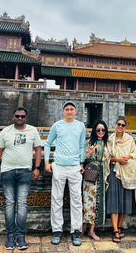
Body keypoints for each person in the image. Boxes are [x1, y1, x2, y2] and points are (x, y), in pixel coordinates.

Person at [0, 106, 42, 250]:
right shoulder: (5, 132)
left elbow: (38, 149)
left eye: (22, 116)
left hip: (25, 171)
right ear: (13, 116)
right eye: (17, 116)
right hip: (7, 171)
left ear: (26, 117)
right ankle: (10, 236)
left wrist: (37, 168)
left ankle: (20, 236)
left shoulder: (32, 131)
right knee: (9, 204)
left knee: (22, 204)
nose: (20, 118)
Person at [44, 101, 86, 246]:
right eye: (67, 109)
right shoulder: (57, 126)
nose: (69, 111)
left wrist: (81, 162)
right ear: (63, 112)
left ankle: (76, 231)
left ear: (75, 111)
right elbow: (47, 143)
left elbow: (82, 145)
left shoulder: (80, 126)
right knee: (56, 199)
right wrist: (46, 162)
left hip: (74, 166)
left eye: (71, 109)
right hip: (59, 166)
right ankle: (57, 230)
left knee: (76, 200)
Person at [105, 116, 136, 243]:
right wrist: (117, 159)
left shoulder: (129, 140)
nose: (120, 126)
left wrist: (128, 156)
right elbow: (106, 157)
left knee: (124, 199)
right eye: (118, 124)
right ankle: (114, 230)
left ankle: (119, 226)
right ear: (115, 125)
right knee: (114, 198)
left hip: (127, 172)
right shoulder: (110, 140)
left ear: (125, 127)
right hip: (114, 171)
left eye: (123, 125)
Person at [82, 120, 108, 241]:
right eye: (98, 130)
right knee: (87, 201)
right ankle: (83, 227)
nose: (101, 132)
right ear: (94, 131)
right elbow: (83, 159)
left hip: (102, 173)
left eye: (103, 130)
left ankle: (91, 230)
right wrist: (90, 153)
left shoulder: (107, 143)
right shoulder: (89, 142)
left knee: (98, 202)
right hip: (91, 173)